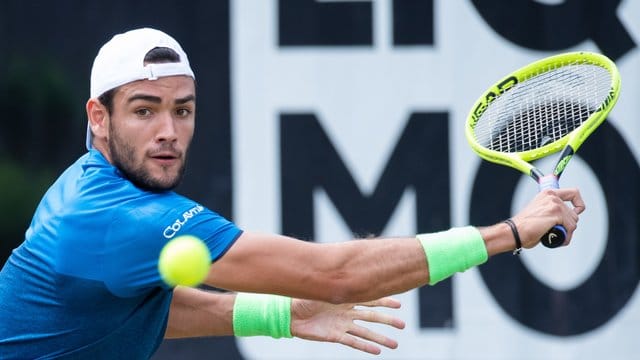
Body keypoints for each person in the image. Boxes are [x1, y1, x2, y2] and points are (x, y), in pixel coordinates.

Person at [0, 28, 585, 359]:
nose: (168, 133)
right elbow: (336, 275)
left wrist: (282, 314)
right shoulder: (122, 218)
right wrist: (509, 233)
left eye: (183, 111)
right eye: (144, 111)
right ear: (98, 117)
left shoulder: (85, 187)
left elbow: (137, 310)